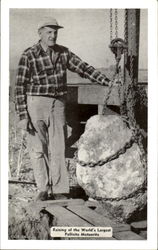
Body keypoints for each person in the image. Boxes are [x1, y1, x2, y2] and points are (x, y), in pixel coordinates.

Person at [15, 17, 110, 201]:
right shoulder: (29, 54)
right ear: (40, 33)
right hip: (35, 104)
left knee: (58, 147)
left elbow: (84, 68)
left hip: (58, 104)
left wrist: (107, 82)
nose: (53, 35)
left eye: (55, 32)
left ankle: (58, 189)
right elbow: (19, 86)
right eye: (49, 32)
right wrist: (22, 115)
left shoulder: (63, 52)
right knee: (37, 148)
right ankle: (43, 188)